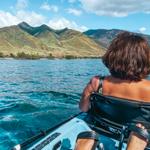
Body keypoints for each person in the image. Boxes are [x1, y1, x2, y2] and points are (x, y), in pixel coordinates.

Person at [79, 32, 150, 150]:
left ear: (113, 56)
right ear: (143, 59)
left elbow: (83, 108)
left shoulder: (97, 82)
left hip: (102, 130)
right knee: (140, 133)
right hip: (138, 134)